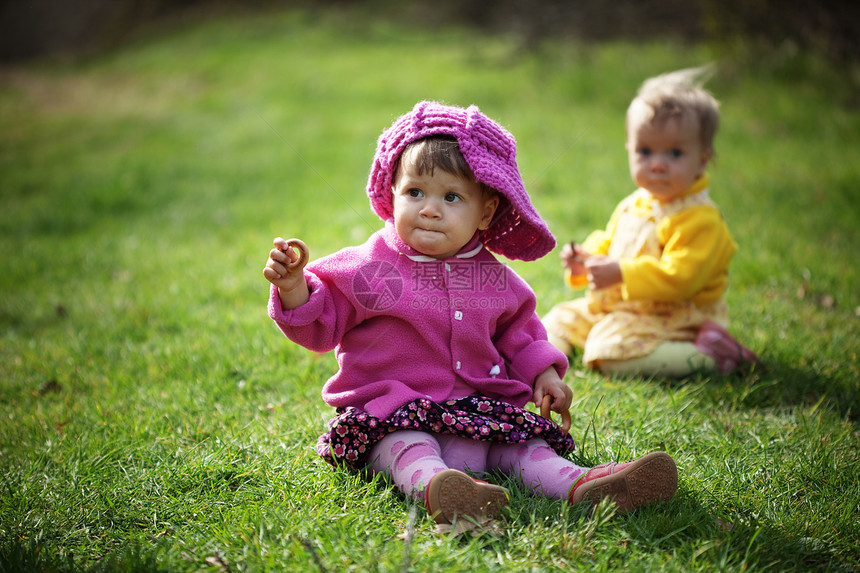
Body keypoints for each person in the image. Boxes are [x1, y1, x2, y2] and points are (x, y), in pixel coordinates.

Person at [263, 101, 678, 530]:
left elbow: (523, 337)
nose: (429, 208)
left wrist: (545, 376)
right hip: (394, 414)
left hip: (482, 415)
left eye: (452, 197)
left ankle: (584, 485)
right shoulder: (372, 268)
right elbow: (321, 322)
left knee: (524, 449)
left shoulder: (497, 280)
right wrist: (294, 288)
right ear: (392, 192)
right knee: (411, 448)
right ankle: (442, 488)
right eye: (415, 192)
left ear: (485, 212)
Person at [542, 67, 758, 378]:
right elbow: (610, 240)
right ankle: (543, 362)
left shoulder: (699, 218)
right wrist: (585, 261)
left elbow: (681, 277)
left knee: (611, 355)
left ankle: (710, 355)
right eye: (645, 151)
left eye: (675, 153)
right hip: (622, 307)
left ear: (703, 158)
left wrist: (621, 272)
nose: (657, 164)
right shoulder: (637, 201)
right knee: (555, 322)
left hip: (674, 318)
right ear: (629, 150)